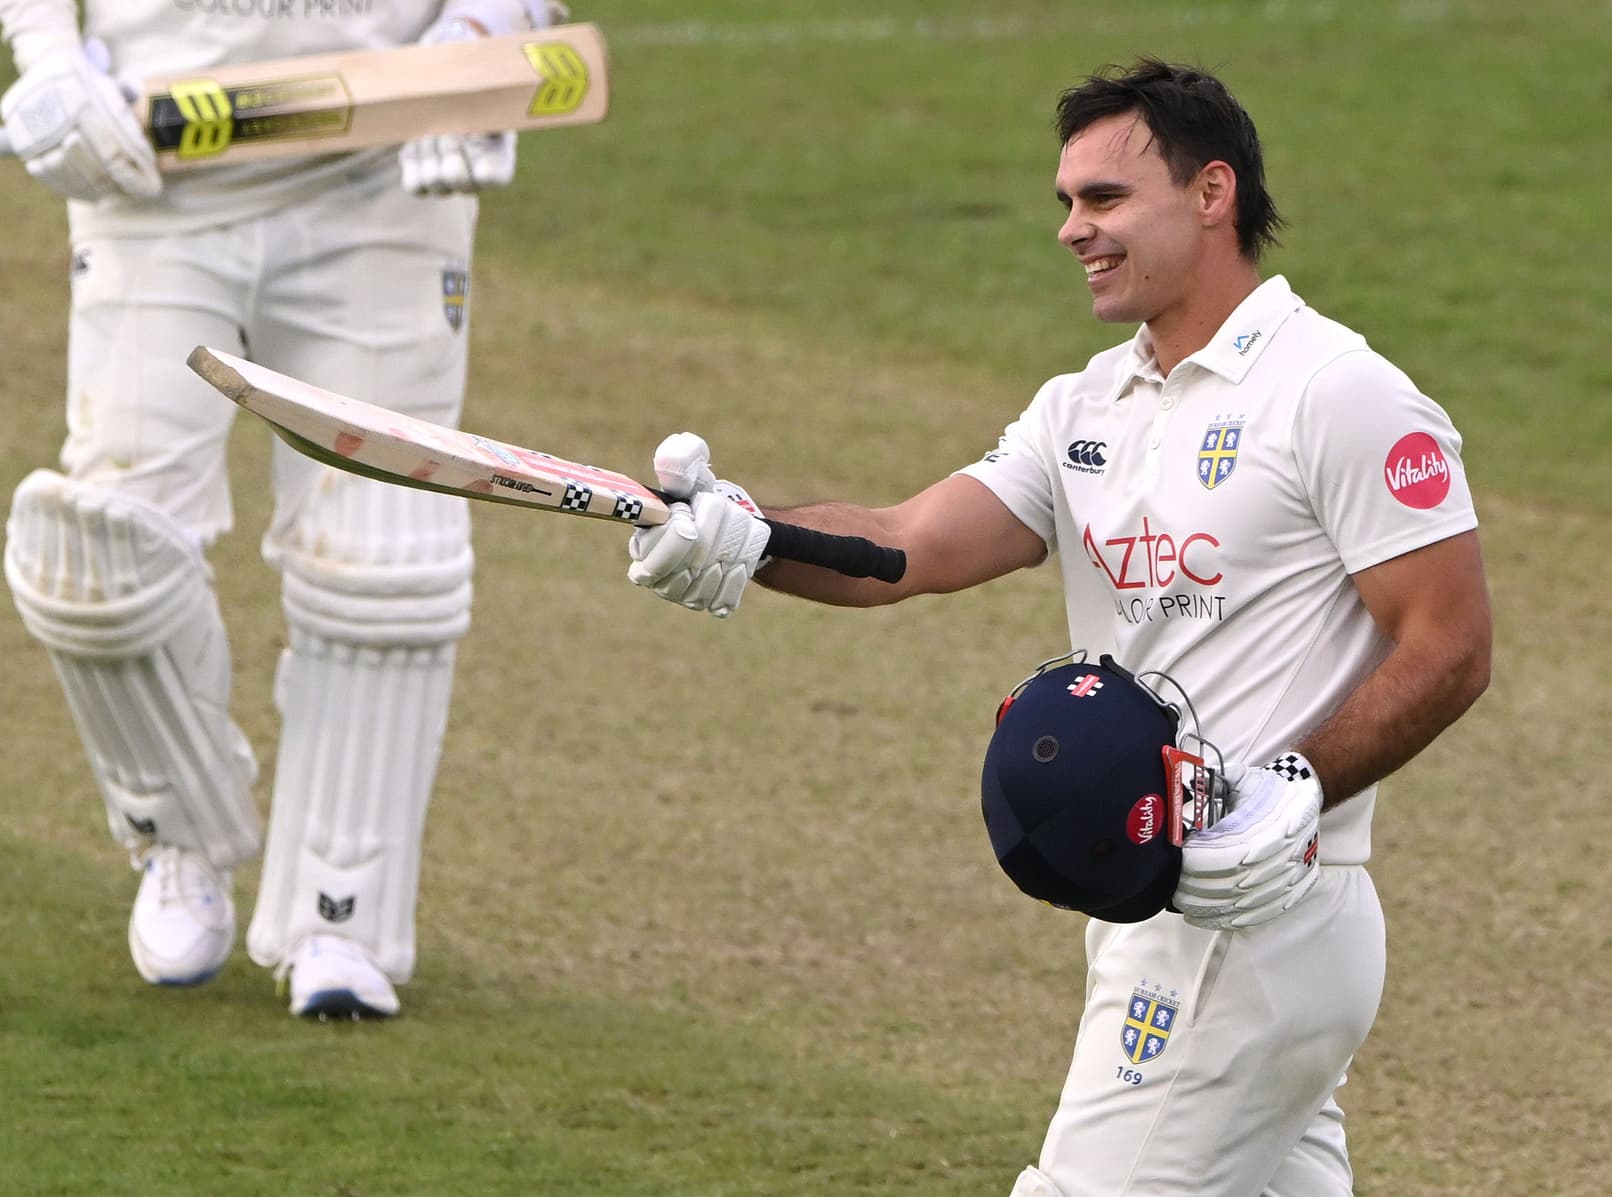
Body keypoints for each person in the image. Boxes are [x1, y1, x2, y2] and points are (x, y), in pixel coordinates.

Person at [624, 58, 1494, 1197]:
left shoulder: (1334, 391)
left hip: (1262, 917)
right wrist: (746, 533)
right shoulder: (1080, 411)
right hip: (1152, 911)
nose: (1073, 230)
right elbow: (904, 546)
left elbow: (1451, 642)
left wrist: (1290, 784)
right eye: (1067, 203)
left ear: (1212, 193)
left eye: (1105, 199)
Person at [0, 0, 556, 1019]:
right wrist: (43, 52)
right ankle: (178, 837)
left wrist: (485, 25)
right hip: (154, 165)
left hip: (382, 176)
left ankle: (340, 919)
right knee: (97, 557)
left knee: (382, 556)